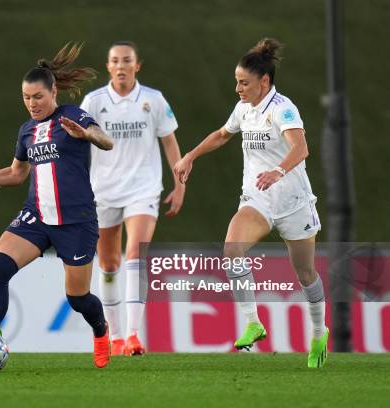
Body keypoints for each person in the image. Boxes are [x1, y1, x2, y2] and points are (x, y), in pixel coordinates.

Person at [0, 43, 115, 368]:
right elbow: (15, 174)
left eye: (37, 96)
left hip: (75, 220)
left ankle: (101, 329)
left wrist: (87, 135)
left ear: (53, 91)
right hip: (36, 216)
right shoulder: (27, 131)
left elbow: (106, 141)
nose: (32, 103)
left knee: (78, 298)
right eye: (26, 97)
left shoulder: (72, 116)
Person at [173, 38, 328, 368]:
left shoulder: (283, 109)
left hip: (293, 202)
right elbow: (222, 134)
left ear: (264, 82)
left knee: (305, 273)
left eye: (243, 83)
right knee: (232, 250)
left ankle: (318, 332)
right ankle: (253, 323)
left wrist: (277, 171)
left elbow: (300, 149)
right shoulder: (244, 107)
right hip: (257, 199)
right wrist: (191, 155)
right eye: (236, 82)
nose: (237, 89)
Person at [80, 41, 184, 356]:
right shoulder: (94, 101)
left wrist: (179, 185)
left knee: (136, 253)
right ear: (108, 66)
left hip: (144, 188)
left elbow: (169, 142)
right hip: (104, 190)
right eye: (115, 61)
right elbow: (76, 141)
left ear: (137, 66)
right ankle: (114, 336)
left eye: (127, 60)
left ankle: (134, 336)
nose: (121, 66)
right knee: (109, 264)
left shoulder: (153, 100)